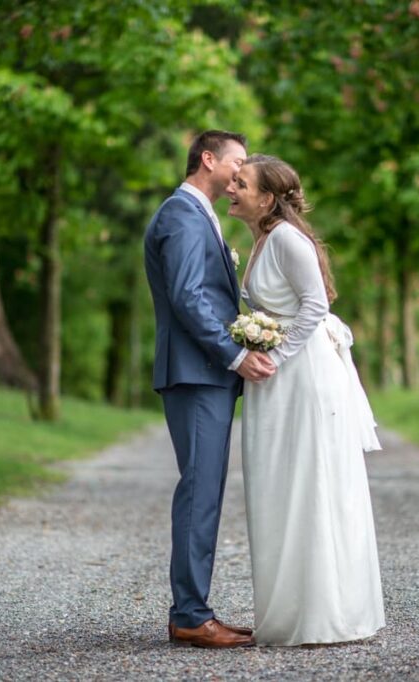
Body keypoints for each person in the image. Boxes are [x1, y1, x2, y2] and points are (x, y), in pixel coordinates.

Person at [226, 154, 385, 646]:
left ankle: (324, 613)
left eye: (242, 182)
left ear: (267, 198)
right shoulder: (262, 240)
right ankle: (289, 608)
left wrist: (277, 356)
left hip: (304, 377)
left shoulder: (289, 240)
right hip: (281, 378)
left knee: (310, 484)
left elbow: (316, 304)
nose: (231, 186)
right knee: (280, 487)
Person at [143, 131, 276, 648]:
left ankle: (194, 610)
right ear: (208, 160)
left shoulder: (199, 215)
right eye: (237, 162)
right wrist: (236, 354)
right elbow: (187, 297)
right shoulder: (180, 214)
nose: (244, 171)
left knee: (206, 491)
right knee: (200, 493)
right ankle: (191, 615)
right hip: (197, 372)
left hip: (204, 373)